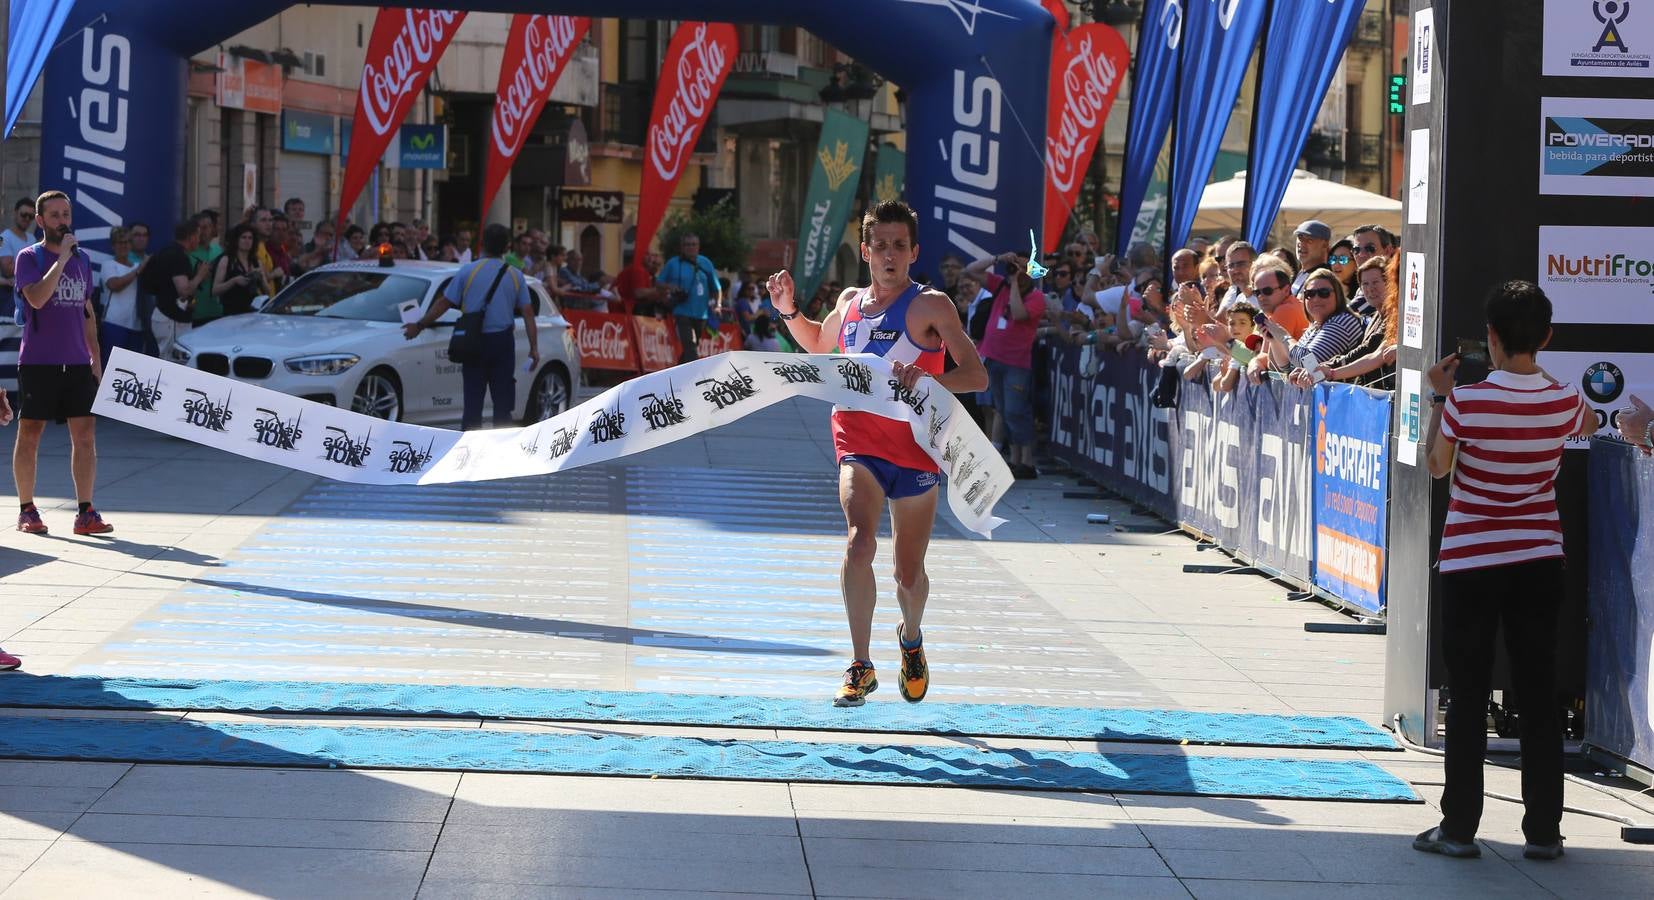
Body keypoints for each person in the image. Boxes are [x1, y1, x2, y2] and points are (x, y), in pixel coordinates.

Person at [765, 199, 988, 708]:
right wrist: (788, 311)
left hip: (914, 451)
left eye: (899, 246)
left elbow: (977, 376)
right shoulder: (848, 303)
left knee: (907, 575)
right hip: (857, 442)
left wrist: (929, 379)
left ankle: (911, 639)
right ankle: (861, 664)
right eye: (880, 246)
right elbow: (820, 350)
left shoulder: (932, 306)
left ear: (914, 252)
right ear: (865, 251)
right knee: (858, 541)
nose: (890, 255)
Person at [1413, 280, 1596, 863]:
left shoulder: (1467, 401)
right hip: (1539, 558)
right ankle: (1544, 831)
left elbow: (1437, 468)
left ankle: (1459, 828)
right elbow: (1588, 425)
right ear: (1545, 337)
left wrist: (1439, 398)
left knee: (1467, 697)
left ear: (1489, 338)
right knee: (1538, 696)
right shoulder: (1565, 400)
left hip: (1471, 561)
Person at [11, 190, 112, 537]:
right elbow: (37, 299)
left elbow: (86, 311)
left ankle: (86, 512)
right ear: (40, 221)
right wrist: (62, 260)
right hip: (39, 362)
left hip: (77, 362)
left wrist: (95, 357)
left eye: (65, 214)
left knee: (85, 437)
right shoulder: (29, 258)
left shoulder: (83, 260)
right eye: (54, 215)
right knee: (30, 435)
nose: (62, 221)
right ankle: (27, 509)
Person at [402, 224, 538, 431]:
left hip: (472, 341)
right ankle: (502, 452)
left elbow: (443, 303)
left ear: (482, 243)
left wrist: (419, 326)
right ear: (507, 247)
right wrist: (533, 348)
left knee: (472, 402)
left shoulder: (468, 271)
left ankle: (468, 450)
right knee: (503, 404)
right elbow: (528, 313)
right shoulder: (515, 275)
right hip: (502, 343)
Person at [964, 248, 1048, 480]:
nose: (1018, 272)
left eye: (1024, 268)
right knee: (1002, 410)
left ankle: (1027, 460)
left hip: (1016, 363)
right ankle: (1015, 460)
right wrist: (998, 258)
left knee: (1015, 411)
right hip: (994, 359)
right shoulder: (1001, 284)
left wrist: (1013, 283)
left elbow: (1019, 314)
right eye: (1016, 267)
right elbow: (970, 270)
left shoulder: (1036, 297)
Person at [1318, 256, 1399, 387]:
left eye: (1375, 282)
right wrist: (1329, 366)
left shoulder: (1396, 316)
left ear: (1390, 283)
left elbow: (1369, 349)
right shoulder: (1374, 317)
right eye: (1365, 284)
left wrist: (1332, 369)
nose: (1370, 289)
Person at [1272, 267, 1364, 381]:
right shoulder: (1315, 326)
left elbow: (1308, 363)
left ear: (1338, 295)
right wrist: (1273, 340)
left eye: (1324, 293)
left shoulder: (1343, 321)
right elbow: (1288, 368)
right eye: (1310, 293)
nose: (1316, 299)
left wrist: (1284, 337)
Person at [142, 221, 210, 361]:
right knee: (171, 361)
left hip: (170, 316)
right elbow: (184, 291)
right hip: (171, 318)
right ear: (191, 237)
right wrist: (200, 275)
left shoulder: (169, 252)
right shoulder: (177, 256)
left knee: (175, 360)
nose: (199, 239)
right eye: (198, 235)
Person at [658, 233, 722, 365]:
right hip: (682, 312)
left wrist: (718, 305)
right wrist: (671, 286)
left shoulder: (705, 263)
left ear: (698, 246)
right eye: (687, 245)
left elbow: (717, 288)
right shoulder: (673, 263)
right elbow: (659, 283)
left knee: (691, 347)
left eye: (693, 244)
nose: (690, 247)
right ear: (682, 247)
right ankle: (695, 376)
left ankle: (677, 373)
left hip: (701, 314)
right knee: (690, 345)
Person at [97, 227, 148, 364]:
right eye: (120, 243)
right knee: (110, 366)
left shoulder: (138, 266)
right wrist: (138, 271)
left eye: (126, 242)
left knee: (132, 369)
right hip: (114, 324)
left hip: (137, 326)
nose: (124, 246)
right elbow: (114, 285)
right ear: (113, 246)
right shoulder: (108, 264)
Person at [212, 224, 267, 317]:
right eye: (243, 237)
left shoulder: (256, 261)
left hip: (252, 313)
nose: (247, 241)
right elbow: (215, 290)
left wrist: (260, 277)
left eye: (250, 238)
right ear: (236, 240)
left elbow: (267, 291)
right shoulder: (226, 260)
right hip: (232, 313)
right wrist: (234, 281)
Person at [1, 198, 38, 321]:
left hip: (29, 297)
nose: (27, 219)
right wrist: (30, 264)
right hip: (10, 298)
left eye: (31, 216)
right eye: (24, 214)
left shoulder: (32, 238)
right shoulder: (3, 238)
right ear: (15, 213)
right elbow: (7, 270)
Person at [188, 213, 225, 326]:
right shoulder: (188, 252)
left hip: (218, 312)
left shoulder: (218, 249)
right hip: (195, 314)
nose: (205, 231)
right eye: (201, 228)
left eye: (207, 226)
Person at [616, 250, 665, 315]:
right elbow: (638, 293)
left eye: (658, 265)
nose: (655, 267)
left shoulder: (646, 274)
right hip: (623, 311)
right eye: (654, 263)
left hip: (626, 310)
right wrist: (660, 290)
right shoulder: (639, 269)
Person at [1291, 220, 1332, 294]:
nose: (1302, 244)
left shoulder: (1322, 278)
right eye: (1300, 237)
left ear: (1325, 245)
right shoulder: (1302, 273)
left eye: (1309, 240)